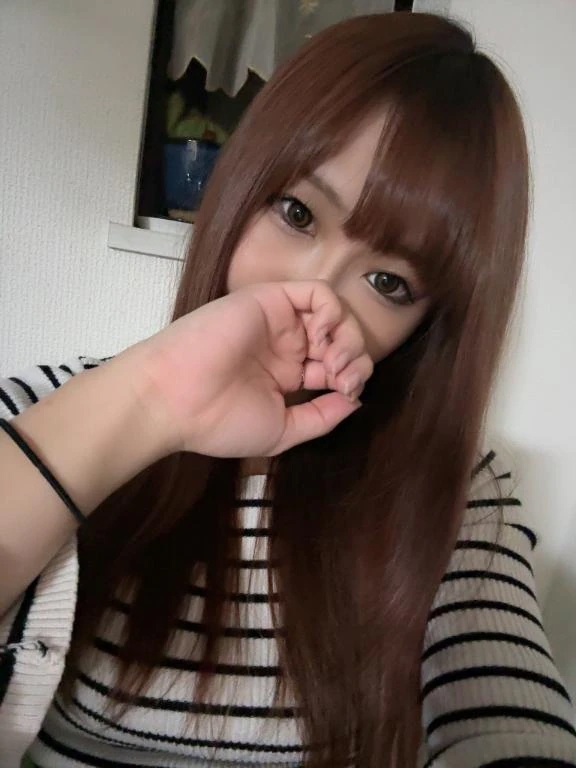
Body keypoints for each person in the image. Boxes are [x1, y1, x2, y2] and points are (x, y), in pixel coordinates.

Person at [0, 10, 575, 768]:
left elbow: (505, 720)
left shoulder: (459, 491)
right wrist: (150, 400)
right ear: (242, 187)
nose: (313, 297)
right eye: (296, 213)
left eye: (388, 282)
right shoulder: (49, 408)